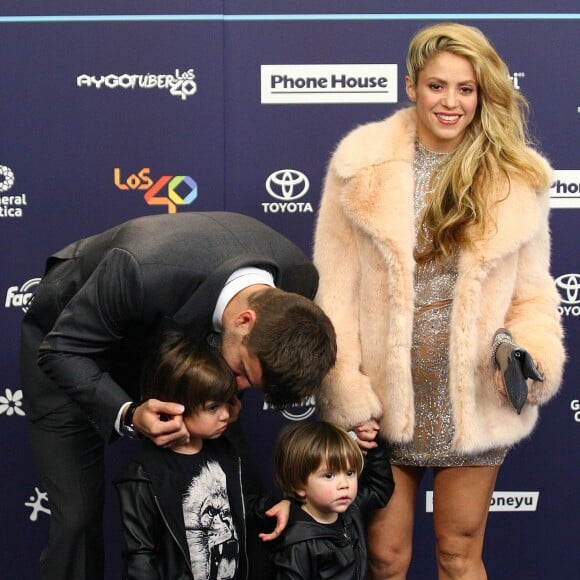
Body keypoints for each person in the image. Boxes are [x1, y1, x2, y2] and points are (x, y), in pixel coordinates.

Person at [312, 22, 565, 579]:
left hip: (472, 403)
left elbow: (532, 297)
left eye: (466, 89)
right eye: (436, 86)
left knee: (458, 556)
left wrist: (527, 356)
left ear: (483, 94)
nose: (451, 102)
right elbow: (337, 296)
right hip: (384, 403)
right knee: (384, 558)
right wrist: (347, 394)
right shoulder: (359, 166)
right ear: (411, 86)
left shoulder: (514, 179)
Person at [19, 211, 337, 580]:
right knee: (76, 517)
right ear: (244, 320)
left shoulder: (299, 278)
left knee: (229, 491)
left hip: (175, 351)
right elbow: (60, 351)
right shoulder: (140, 267)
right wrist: (126, 412)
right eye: (242, 374)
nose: (240, 389)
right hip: (73, 345)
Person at [114, 330, 280, 579]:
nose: (226, 414)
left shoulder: (225, 452)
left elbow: (242, 506)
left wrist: (277, 507)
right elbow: (140, 557)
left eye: (226, 402)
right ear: (174, 405)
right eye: (213, 407)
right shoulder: (143, 475)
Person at [267, 421, 394, 579]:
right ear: (299, 485)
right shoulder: (298, 544)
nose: (344, 484)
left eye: (349, 473)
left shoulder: (351, 510)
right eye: (329, 476)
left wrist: (372, 444)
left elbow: (379, 489)